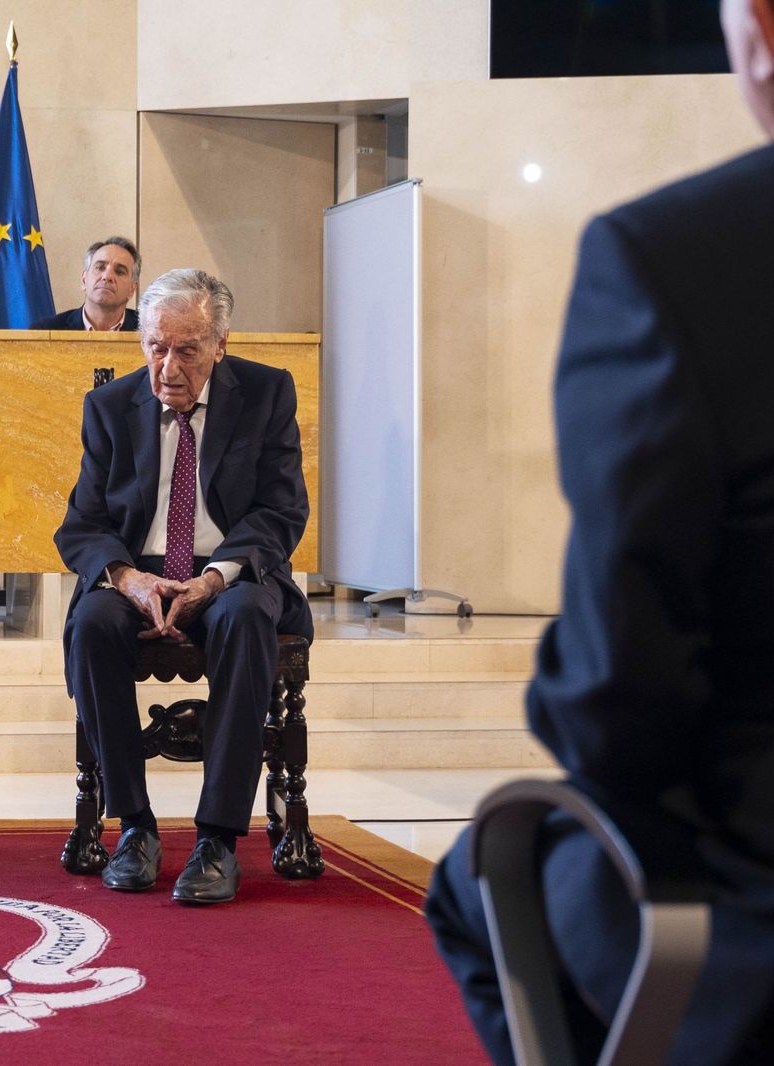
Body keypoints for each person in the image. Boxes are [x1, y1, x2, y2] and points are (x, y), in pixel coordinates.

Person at [424, 2, 774, 1059]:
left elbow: (616, 705)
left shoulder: (675, 259)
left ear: (755, 32)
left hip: (749, 902)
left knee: (484, 875)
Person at [54, 267, 311, 905]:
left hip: (231, 570)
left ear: (220, 344)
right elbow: (82, 524)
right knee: (92, 622)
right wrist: (128, 577)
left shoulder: (267, 392)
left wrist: (215, 575)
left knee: (247, 615)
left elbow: (281, 511)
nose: (168, 367)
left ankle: (218, 839)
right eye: (155, 347)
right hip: (138, 570)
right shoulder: (109, 407)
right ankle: (134, 828)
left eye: (187, 350)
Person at [29, 236, 141, 331]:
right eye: (100, 267)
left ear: (132, 289)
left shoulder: (148, 331)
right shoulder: (45, 331)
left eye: (120, 272)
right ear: (83, 280)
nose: (107, 276)